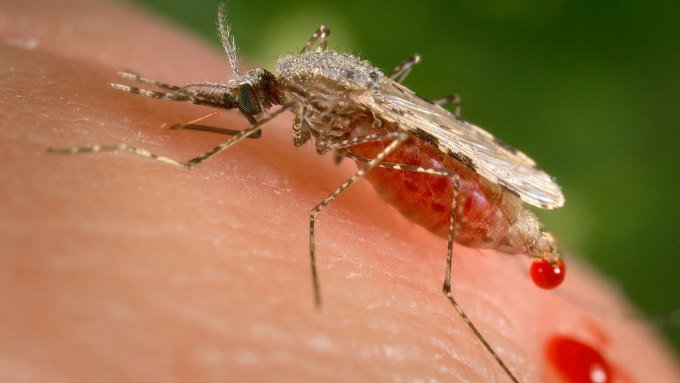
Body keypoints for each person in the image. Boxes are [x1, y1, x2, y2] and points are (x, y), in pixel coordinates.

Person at [2, 0, 678, 381]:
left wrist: (320, 212)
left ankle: (451, 295)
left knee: (408, 148)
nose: (256, 102)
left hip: (441, 172)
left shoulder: (305, 85)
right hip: (388, 128)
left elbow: (285, 106)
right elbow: (264, 99)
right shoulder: (299, 75)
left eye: (258, 97)